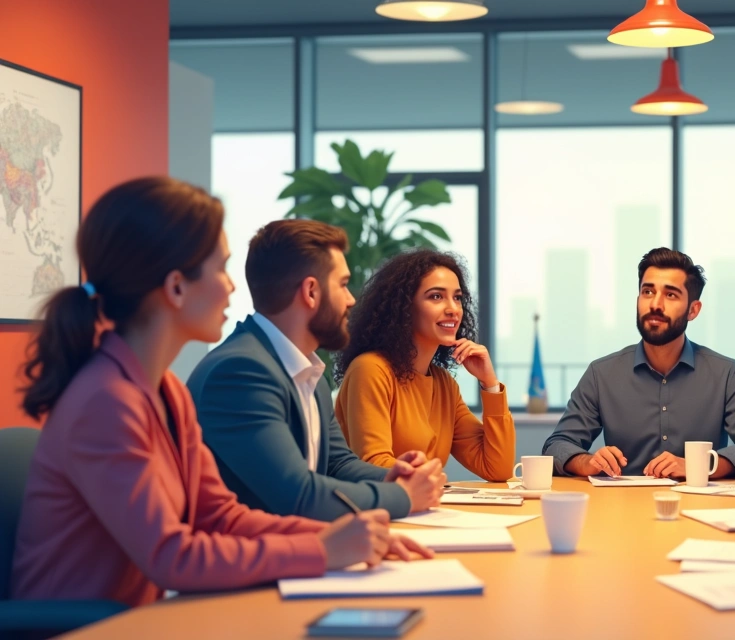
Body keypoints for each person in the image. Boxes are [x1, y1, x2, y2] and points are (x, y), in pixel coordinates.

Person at [11, 177, 429, 607]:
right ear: (176, 287)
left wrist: (348, 536)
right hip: (82, 628)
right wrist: (323, 550)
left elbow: (219, 516)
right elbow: (171, 555)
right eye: (221, 268)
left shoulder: (166, 390)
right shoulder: (106, 402)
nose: (232, 286)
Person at [187, 219, 444, 522]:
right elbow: (297, 495)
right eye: (343, 285)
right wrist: (402, 496)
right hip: (254, 562)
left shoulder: (308, 371)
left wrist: (395, 475)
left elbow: (337, 464)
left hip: (296, 552)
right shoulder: (240, 373)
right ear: (311, 291)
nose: (351, 300)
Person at [542, 247, 735, 479]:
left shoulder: (726, 374)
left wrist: (701, 465)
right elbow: (557, 446)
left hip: (699, 507)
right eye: (647, 292)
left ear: (693, 310)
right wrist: (587, 462)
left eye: (670, 294)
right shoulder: (601, 374)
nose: (655, 304)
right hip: (622, 508)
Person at [334, 249, 515, 481]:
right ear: (404, 307)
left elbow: (497, 468)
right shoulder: (370, 369)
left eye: (457, 297)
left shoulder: (444, 384)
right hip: (376, 511)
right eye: (436, 297)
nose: (453, 309)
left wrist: (489, 384)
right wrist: (432, 481)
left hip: (420, 508)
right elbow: (374, 465)